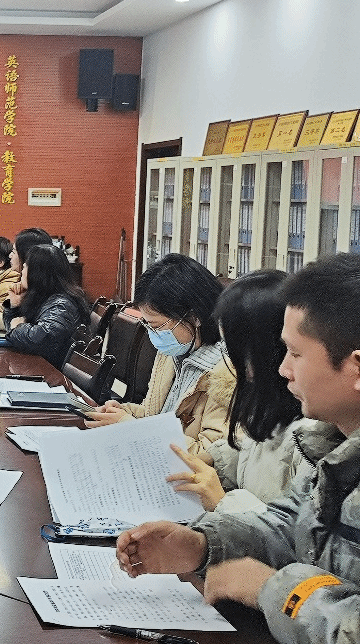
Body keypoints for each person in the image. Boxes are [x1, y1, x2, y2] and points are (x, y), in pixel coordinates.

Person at [116, 253, 360, 644]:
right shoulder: (330, 445)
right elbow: (291, 525)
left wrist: (270, 588)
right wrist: (203, 544)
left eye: (295, 354)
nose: (283, 369)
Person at [166, 269, 314, 513]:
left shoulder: (311, 434)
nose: (237, 365)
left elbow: (291, 528)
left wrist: (222, 502)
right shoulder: (270, 402)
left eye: (240, 352)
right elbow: (255, 450)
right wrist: (214, 459)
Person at [85, 253, 235, 456]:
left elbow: (210, 455)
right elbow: (154, 414)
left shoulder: (227, 372)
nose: (153, 335)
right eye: (147, 325)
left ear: (195, 317)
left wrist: (129, 427)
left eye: (157, 326)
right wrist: (122, 412)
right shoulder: (173, 353)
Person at [1, 243, 89, 368]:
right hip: (41, 365)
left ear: (37, 274)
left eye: (25, 267)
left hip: (52, 372)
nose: (22, 272)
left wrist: (18, 327)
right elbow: (12, 328)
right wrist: (13, 306)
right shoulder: (42, 297)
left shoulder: (61, 304)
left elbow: (42, 339)